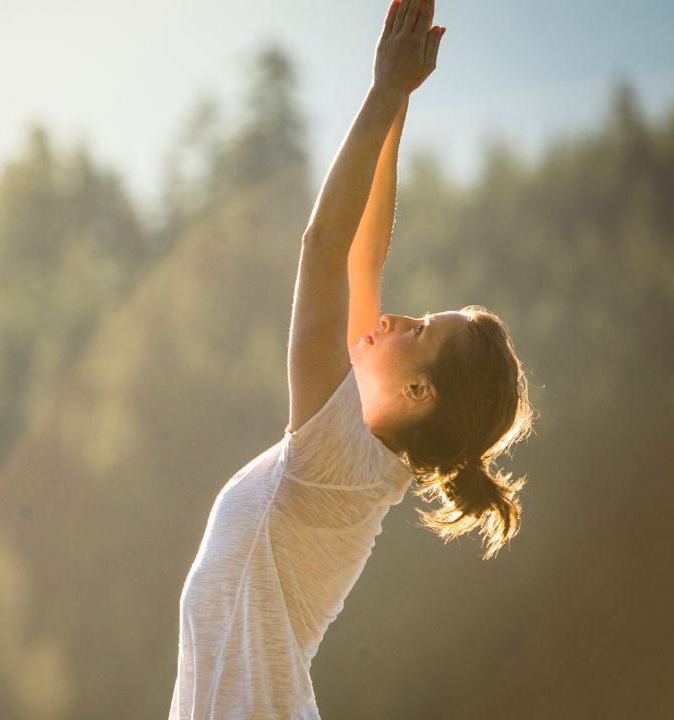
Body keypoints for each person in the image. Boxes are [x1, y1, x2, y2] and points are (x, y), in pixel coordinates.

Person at [168, 0, 535, 717]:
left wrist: (384, 92)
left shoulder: (337, 457)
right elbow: (364, 261)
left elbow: (324, 251)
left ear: (421, 390)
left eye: (420, 329)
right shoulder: (362, 457)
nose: (395, 316)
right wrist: (398, 111)